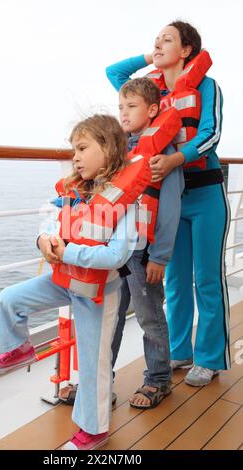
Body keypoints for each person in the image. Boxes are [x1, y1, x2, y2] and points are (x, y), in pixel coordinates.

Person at [0, 114, 139, 451]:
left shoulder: (127, 202)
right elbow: (49, 221)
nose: (76, 157)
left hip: (98, 294)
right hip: (64, 281)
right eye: (73, 150)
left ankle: (94, 430)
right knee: (10, 298)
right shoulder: (72, 192)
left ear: (109, 149)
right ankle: (19, 348)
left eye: (82, 148)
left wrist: (67, 253)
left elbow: (116, 256)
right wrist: (43, 239)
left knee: (93, 362)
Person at [106, 20, 231, 387]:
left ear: (188, 49)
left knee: (206, 279)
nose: (158, 44)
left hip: (205, 194)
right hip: (168, 198)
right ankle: (180, 350)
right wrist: (154, 56)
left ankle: (209, 358)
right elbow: (115, 72)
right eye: (155, 40)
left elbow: (211, 133)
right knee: (174, 280)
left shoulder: (207, 87)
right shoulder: (151, 93)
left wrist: (177, 159)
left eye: (167, 40)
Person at [58, 77, 184, 409]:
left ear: (153, 110)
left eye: (131, 107)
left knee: (149, 316)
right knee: (108, 318)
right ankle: (100, 382)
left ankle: (158, 380)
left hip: (144, 255)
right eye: (120, 108)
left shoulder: (163, 154)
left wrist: (160, 256)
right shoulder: (120, 151)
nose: (124, 114)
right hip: (113, 252)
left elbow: (169, 207)